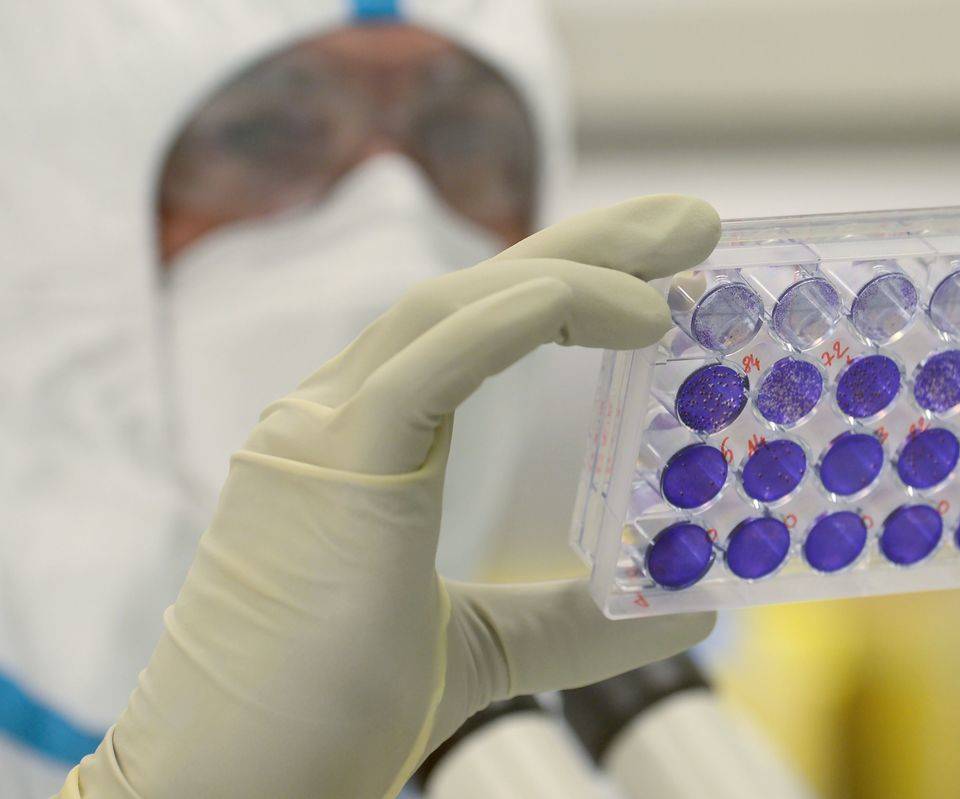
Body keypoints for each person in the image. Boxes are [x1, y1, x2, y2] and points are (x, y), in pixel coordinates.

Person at [0, 1, 718, 795]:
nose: (395, 222)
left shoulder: (631, 748)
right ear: (62, 219)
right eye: (266, 135)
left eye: (462, 137)